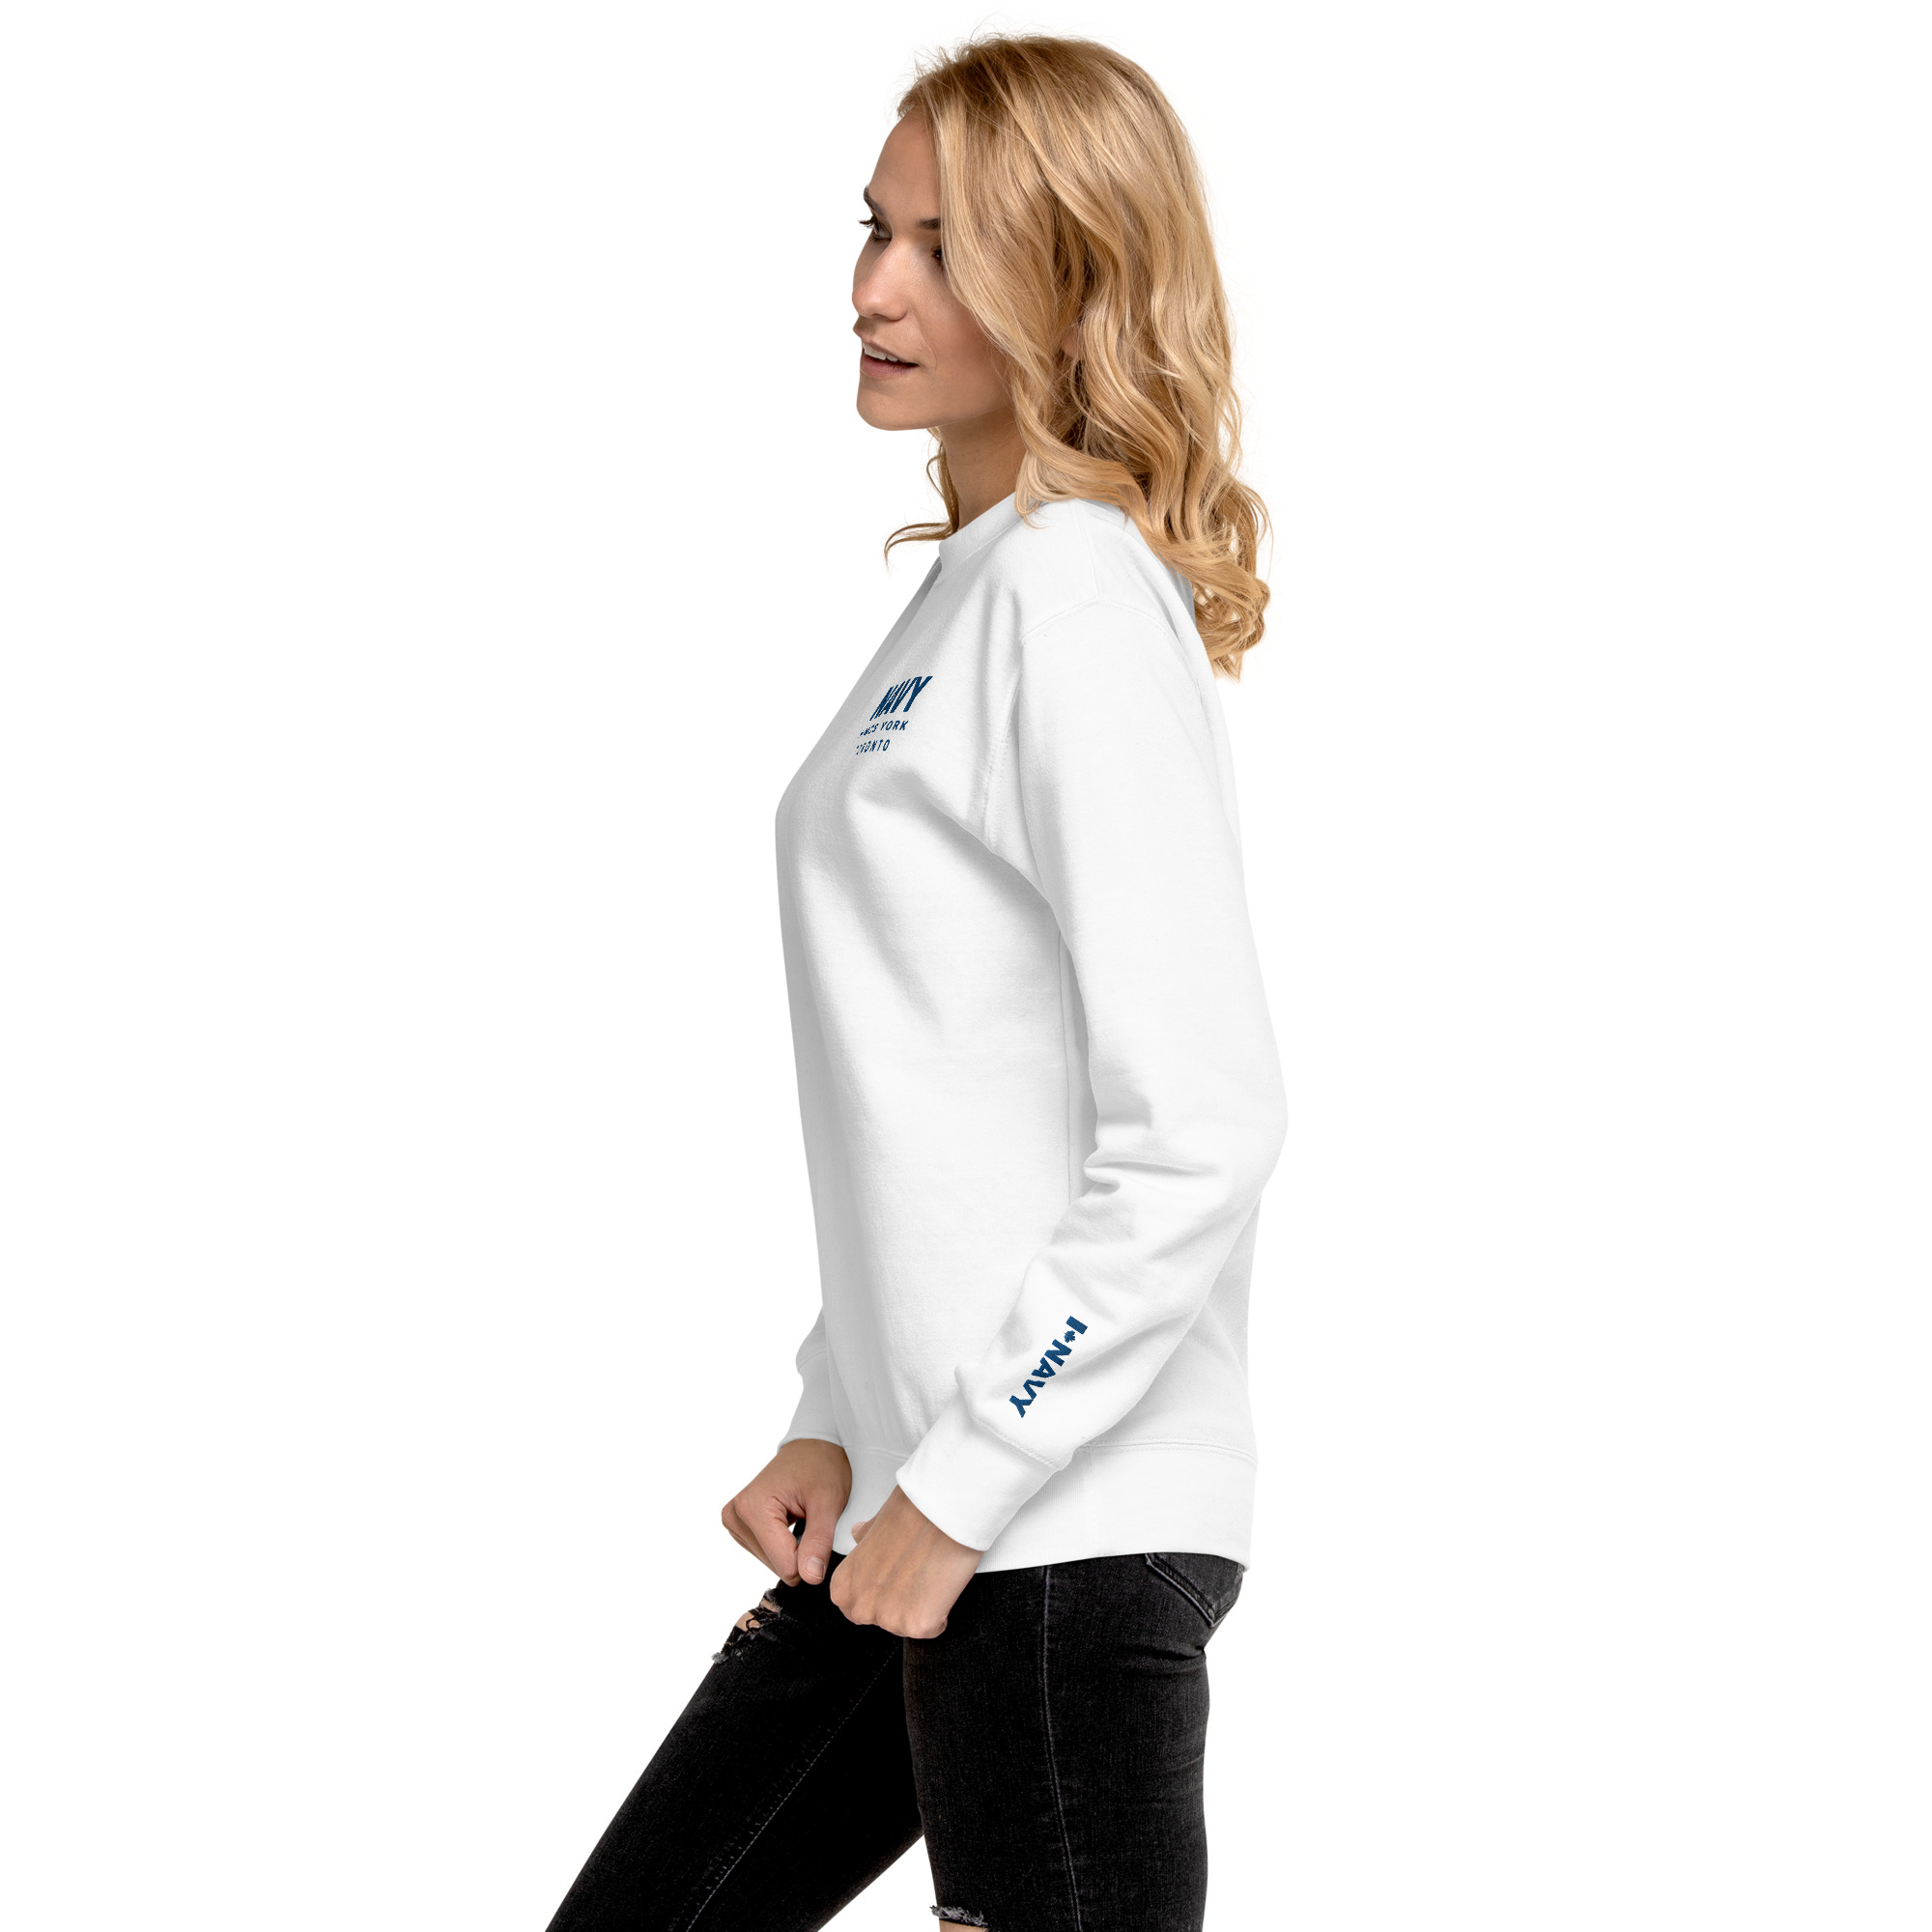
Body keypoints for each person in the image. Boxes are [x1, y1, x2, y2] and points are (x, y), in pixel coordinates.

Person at [545, 33, 1286, 1932]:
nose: (875, 287)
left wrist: (962, 1478)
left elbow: (1200, 1129)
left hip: (1046, 1527)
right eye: (875, 230)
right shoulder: (972, 589)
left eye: (949, 250)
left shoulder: (1070, 595)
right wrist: (840, 1408)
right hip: (928, 1507)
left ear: (1076, 281)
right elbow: (953, 1100)